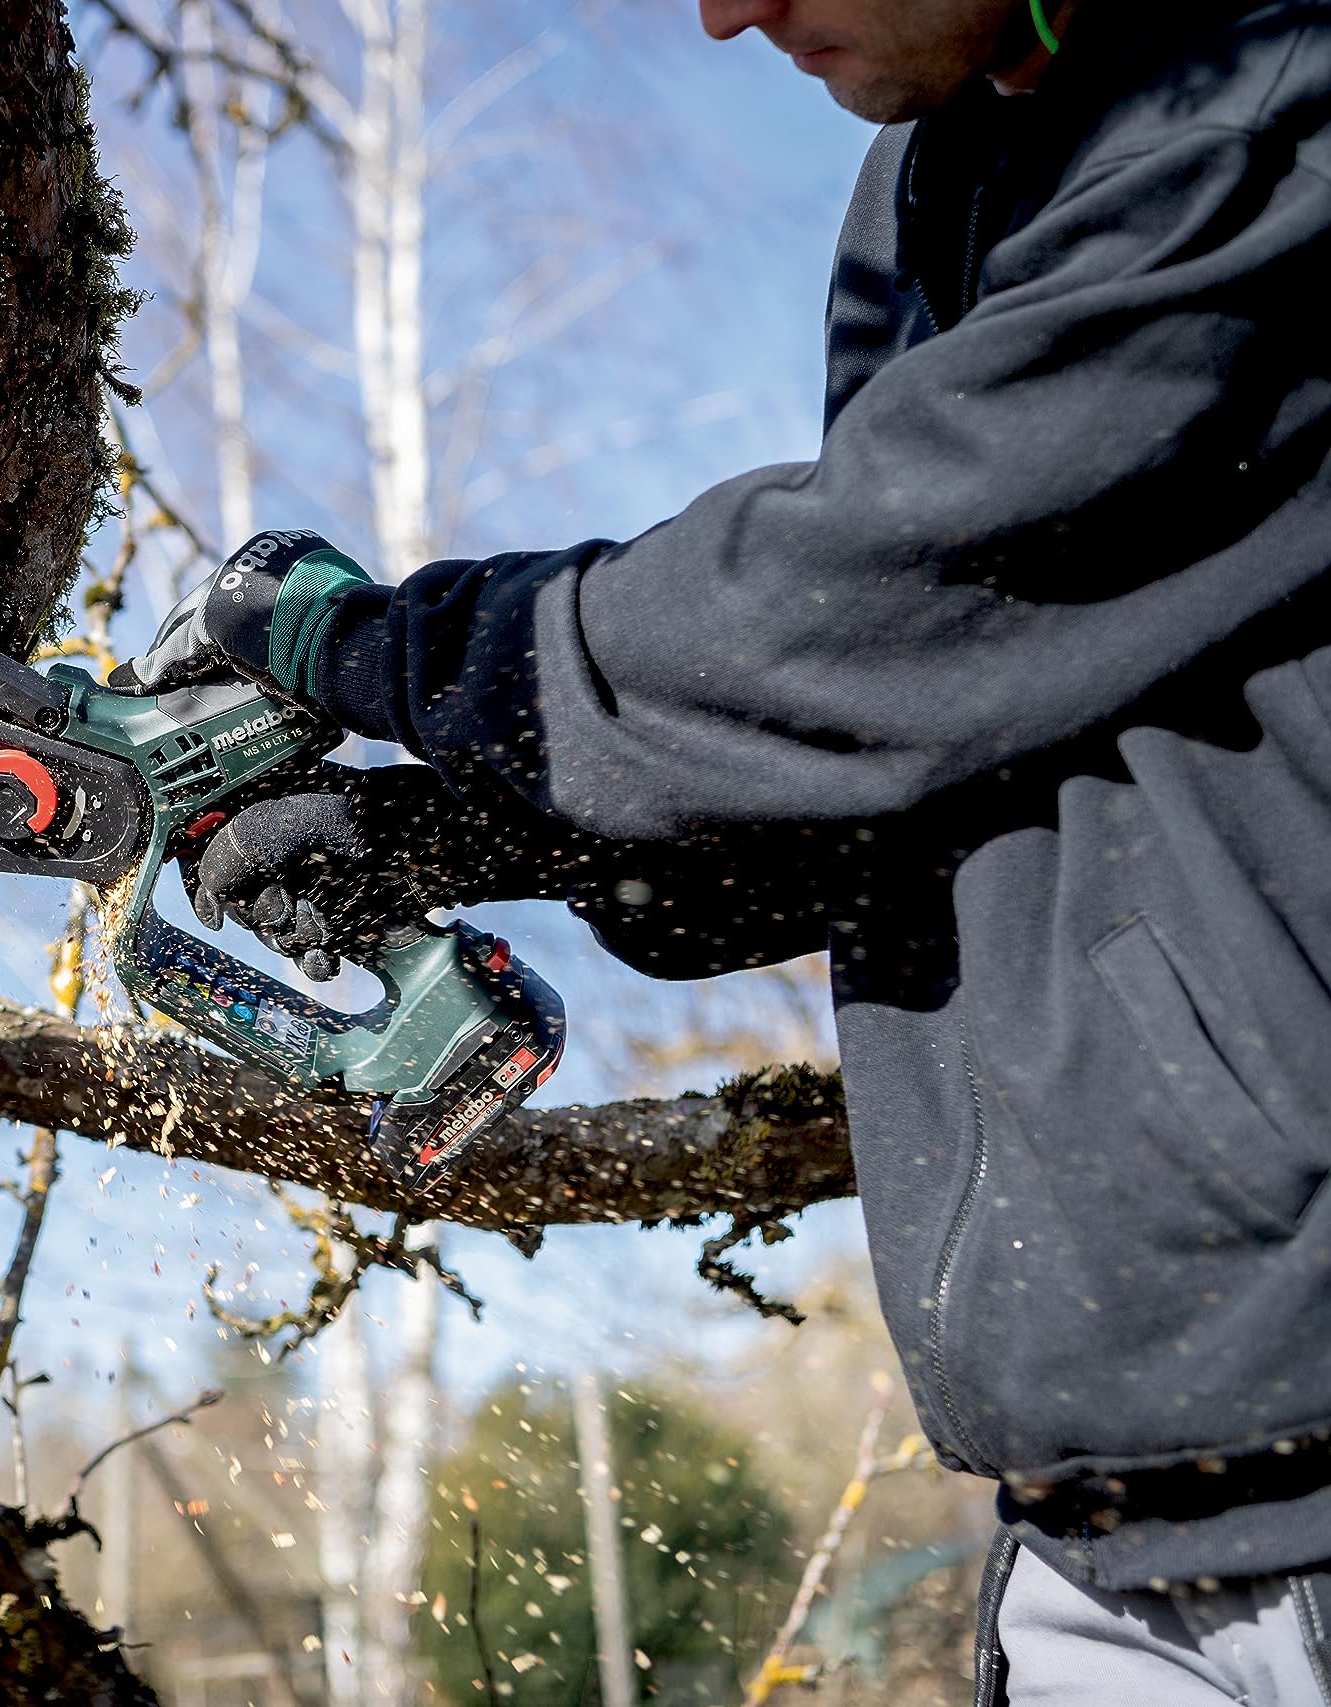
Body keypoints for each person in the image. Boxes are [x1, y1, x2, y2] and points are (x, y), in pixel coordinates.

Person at [106, 0, 1331, 1698]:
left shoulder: (1271, 103)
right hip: (1098, 1511)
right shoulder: (931, 174)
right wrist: (462, 831)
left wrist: (371, 648)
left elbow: (857, 610)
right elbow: (911, 751)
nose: (725, 10)